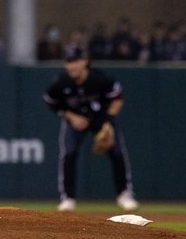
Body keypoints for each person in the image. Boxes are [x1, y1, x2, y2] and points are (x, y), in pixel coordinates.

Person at [43, 44, 138, 212]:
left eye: (75, 61)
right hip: (75, 120)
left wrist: (108, 122)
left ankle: (124, 194)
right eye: (68, 62)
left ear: (85, 61)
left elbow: (117, 97)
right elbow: (50, 102)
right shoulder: (61, 82)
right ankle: (68, 198)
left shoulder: (99, 79)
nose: (71, 65)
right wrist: (71, 117)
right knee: (69, 153)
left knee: (117, 152)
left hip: (101, 118)